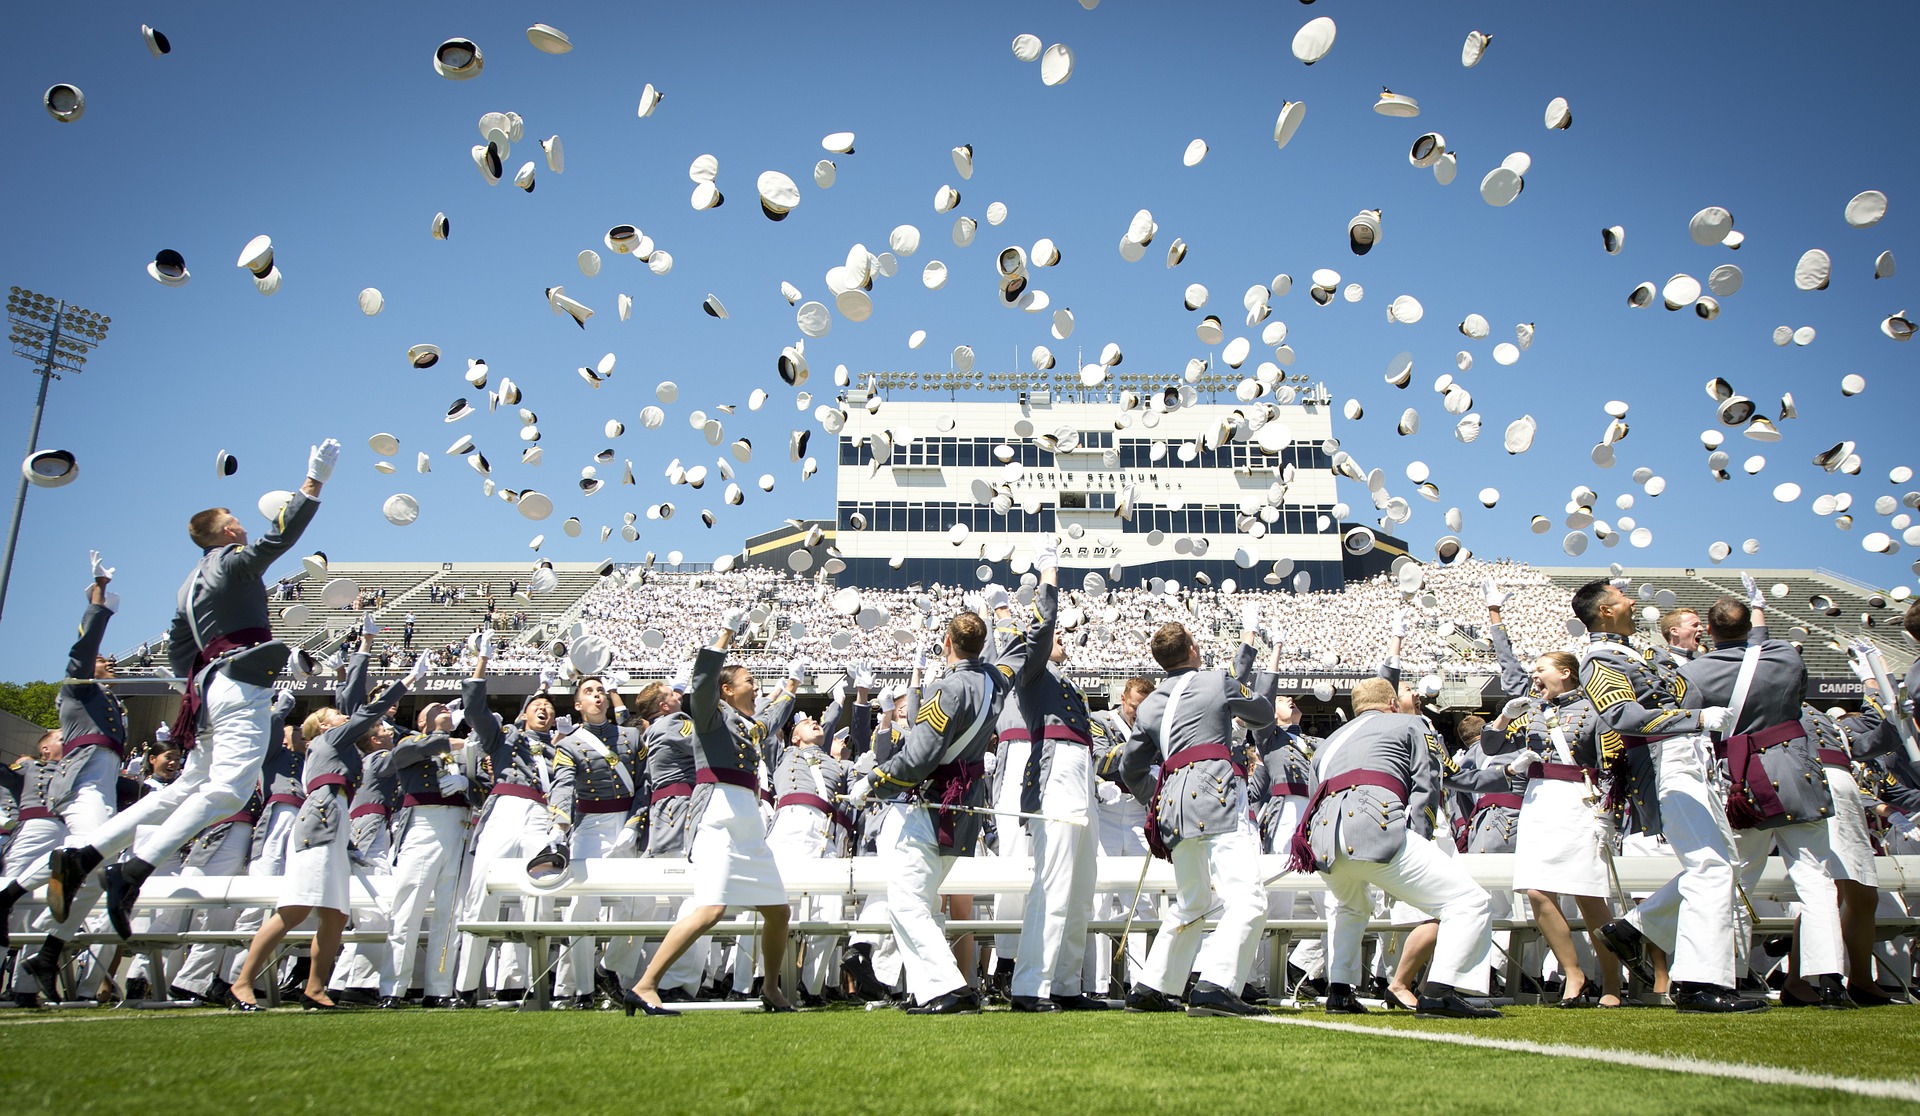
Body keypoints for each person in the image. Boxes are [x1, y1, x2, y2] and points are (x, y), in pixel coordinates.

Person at [49, 439, 341, 938]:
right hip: (239, 685)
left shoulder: (188, 584)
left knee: (187, 787)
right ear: (228, 531)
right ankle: (132, 871)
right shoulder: (231, 561)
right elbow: (281, 538)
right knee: (227, 792)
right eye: (236, 519)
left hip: (208, 689)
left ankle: (86, 855)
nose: (243, 523)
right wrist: (314, 481)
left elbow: (179, 654)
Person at [1572, 579, 1753, 1014]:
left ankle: (1635, 929)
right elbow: (1621, 715)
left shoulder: (1642, 651)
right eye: (1621, 599)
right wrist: (1695, 717)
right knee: (1709, 865)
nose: (1633, 601)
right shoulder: (1599, 658)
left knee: (1718, 864)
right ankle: (1699, 982)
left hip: (1687, 753)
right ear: (1604, 612)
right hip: (1663, 757)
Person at [1291, 676, 1499, 1019]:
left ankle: (1339, 992)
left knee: (1349, 907)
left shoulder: (1328, 742)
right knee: (1469, 901)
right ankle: (1440, 991)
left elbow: (1315, 795)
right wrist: (1420, 835)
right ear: (1391, 703)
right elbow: (1427, 781)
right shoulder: (1411, 722)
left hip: (1325, 837)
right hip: (1375, 825)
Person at [625, 608, 799, 1016]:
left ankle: (771, 988)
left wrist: (791, 685)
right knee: (710, 909)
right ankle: (646, 984)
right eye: (749, 682)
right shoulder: (709, 716)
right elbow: (702, 681)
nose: (757, 688)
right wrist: (725, 634)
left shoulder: (745, 723)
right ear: (726, 690)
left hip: (748, 822)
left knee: (778, 911)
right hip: (717, 814)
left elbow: (770, 720)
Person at [842, 608, 1015, 1015]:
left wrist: (873, 781)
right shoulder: (993, 682)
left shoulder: (947, 689)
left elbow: (919, 756)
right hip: (963, 811)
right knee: (921, 901)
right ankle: (932, 989)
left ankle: (949, 988)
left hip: (933, 806)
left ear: (948, 644)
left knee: (906, 902)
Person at [1679, 594, 1846, 1008]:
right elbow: (1796, 699)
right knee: (1815, 879)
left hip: (1740, 780)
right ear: (1750, 627)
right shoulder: (1786, 655)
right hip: (1793, 771)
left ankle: (1728, 975)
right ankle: (1830, 981)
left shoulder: (1696, 670)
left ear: (1710, 632)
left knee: (1736, 882)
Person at [229, 650, 422, 1009]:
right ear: (325, 726)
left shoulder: (339, 746)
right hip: (321, 818)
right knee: (295, 908)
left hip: (334, 819)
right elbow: (366, 713)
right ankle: (241, 981)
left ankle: (315, 989)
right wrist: (406, 683)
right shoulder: (328, 740)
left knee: (335, 914)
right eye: (336, 714)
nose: (343, 714)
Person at [1119, 619, 1276, 1017]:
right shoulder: (1216, 680)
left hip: (1173, 801)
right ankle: (1217, 984)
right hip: (1217, 791)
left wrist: (1154, 800)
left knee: (1193, 901)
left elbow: (1130, 768)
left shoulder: (1151, 703)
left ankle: (1152, 986)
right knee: (1247, 897)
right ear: (1192, 647)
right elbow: (1262, 712)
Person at [1004, 540, 1108, 1012]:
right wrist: (1049, 572)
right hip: (1056, 771)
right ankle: (1030, 984)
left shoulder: (1070, 687)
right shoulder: (1033, 672)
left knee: (1082, 885)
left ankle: (1065, 983)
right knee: (1054, 880)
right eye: (1057, 640)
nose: (1062, 640)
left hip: (1081, 772)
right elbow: (1042, 629)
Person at [0, 559, 128, 946]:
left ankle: (42, 950)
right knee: (93, 850)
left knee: (93, 861)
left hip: (101, 783)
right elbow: (84, 647)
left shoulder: (108, 700)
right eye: (106, 662)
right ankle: (14, 900)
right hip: (82, 780)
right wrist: (99, 598)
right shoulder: (77, 691)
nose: (110, 664)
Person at [453, 633, 574, 1004]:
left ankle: (519, 982)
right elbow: (474, 709)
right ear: (524, 713)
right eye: (539, 706)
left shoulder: (561, 747)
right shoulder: (505, 736)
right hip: (506, 807)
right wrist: (482, 662)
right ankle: (466, 985)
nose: (546, 710)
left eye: (550, 709)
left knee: (538, 894)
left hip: (541, 814)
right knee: (482, 891)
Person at [1501, 651, 1625, 1007]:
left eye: (1541, 669)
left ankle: (1613, 982)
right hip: (1539, 801)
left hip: (1579, 799)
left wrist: (1609, 811)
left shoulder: (1594, 710)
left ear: (1566, 673)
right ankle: (1575, 974)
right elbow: (1492, 745)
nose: (1534, 675)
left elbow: (1614, 764)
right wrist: (1502, 718)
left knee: (1589, 894)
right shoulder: (1531, 710)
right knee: (1537, 892)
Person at [553, 675, 646, 1006]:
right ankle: (582, 990)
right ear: (578, 705)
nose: (597, 696)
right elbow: (563, 786)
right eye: (589, 692)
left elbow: (643, 783)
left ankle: (611, 973)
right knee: (583, 908)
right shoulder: (567, 744)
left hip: (626, 824)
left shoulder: (631, 736)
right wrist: (558, 825)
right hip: (590, 827)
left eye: (600, 692)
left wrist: (635, 823)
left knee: (638, 905)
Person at [377, 696, 470, 1008]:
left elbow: (483, 783)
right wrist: (449, 741)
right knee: (407, 908)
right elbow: (409, 754)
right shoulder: (409, 741)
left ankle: (439, 989)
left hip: (458, 824)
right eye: (435, 708)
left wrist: (467, 785)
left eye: (447, 708)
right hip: (424, 824)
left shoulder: (463, 751)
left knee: (450, 914)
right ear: (420, 722)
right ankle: (393, 987)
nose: (444, 709)